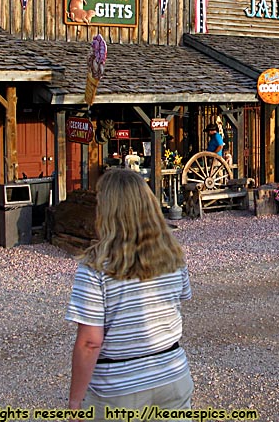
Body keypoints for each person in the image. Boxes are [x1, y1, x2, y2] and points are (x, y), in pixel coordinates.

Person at [66, 169, 193, 418]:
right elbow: (180, 299)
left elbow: (90, 342)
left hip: (118, 389)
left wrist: (75, 401)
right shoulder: (173, 256)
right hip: (173, 374)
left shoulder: (95, 266)